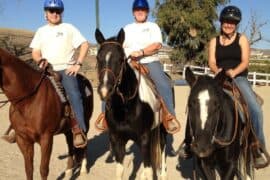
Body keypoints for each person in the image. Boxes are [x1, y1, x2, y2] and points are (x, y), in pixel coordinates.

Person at [179, 5, 269, 168]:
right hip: (219, 78)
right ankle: (188, 142)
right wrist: (219, 71)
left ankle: (257, 146)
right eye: (227, 21)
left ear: (236, 24)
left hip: (238, 78)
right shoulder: (214, 41)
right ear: (221, 22)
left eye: (233, 22)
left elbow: (245, 62)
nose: (229, 24)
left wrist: (233, 72)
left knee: (255, 109)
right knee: (198, 102)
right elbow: (212, 61)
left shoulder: (241, 39)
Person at [95, 0, 180, 134]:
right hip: (129, 63)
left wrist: (141, 52)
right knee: (109, 82)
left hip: (149, 61)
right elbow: (119, 46)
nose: (140, 12)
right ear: (133, 12)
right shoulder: (127, 29)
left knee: (164, 84)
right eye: (137, 10)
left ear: (147, 12)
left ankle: (169, 116)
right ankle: (104, 116)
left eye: (143, 10)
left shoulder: (153, 27)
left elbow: (157, 45)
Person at [30, 0, 89, 148]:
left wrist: (78, 64)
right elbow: (35, 52)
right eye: (51, 11)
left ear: (61, 13)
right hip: (46, 69)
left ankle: (78, 130)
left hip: (66, 69)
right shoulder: (40, 31)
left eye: (58, 11)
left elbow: (84, 44)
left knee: (74, 94)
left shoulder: (68, 28)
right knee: (28, 90)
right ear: (46, 13)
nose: (55, 14)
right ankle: (15, 126)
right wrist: (39, 60)